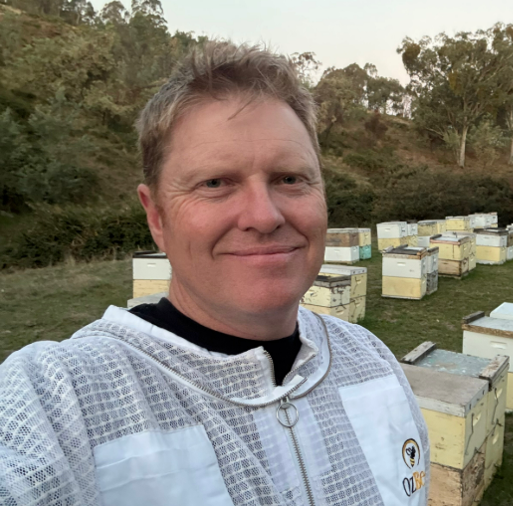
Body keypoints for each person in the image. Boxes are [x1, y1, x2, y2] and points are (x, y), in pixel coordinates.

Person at [0, 43, 429, 506]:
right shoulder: (58, 398)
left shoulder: (372, 359)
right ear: (158, 218)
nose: (264, 216)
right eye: (215, 183)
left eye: (289, 178)